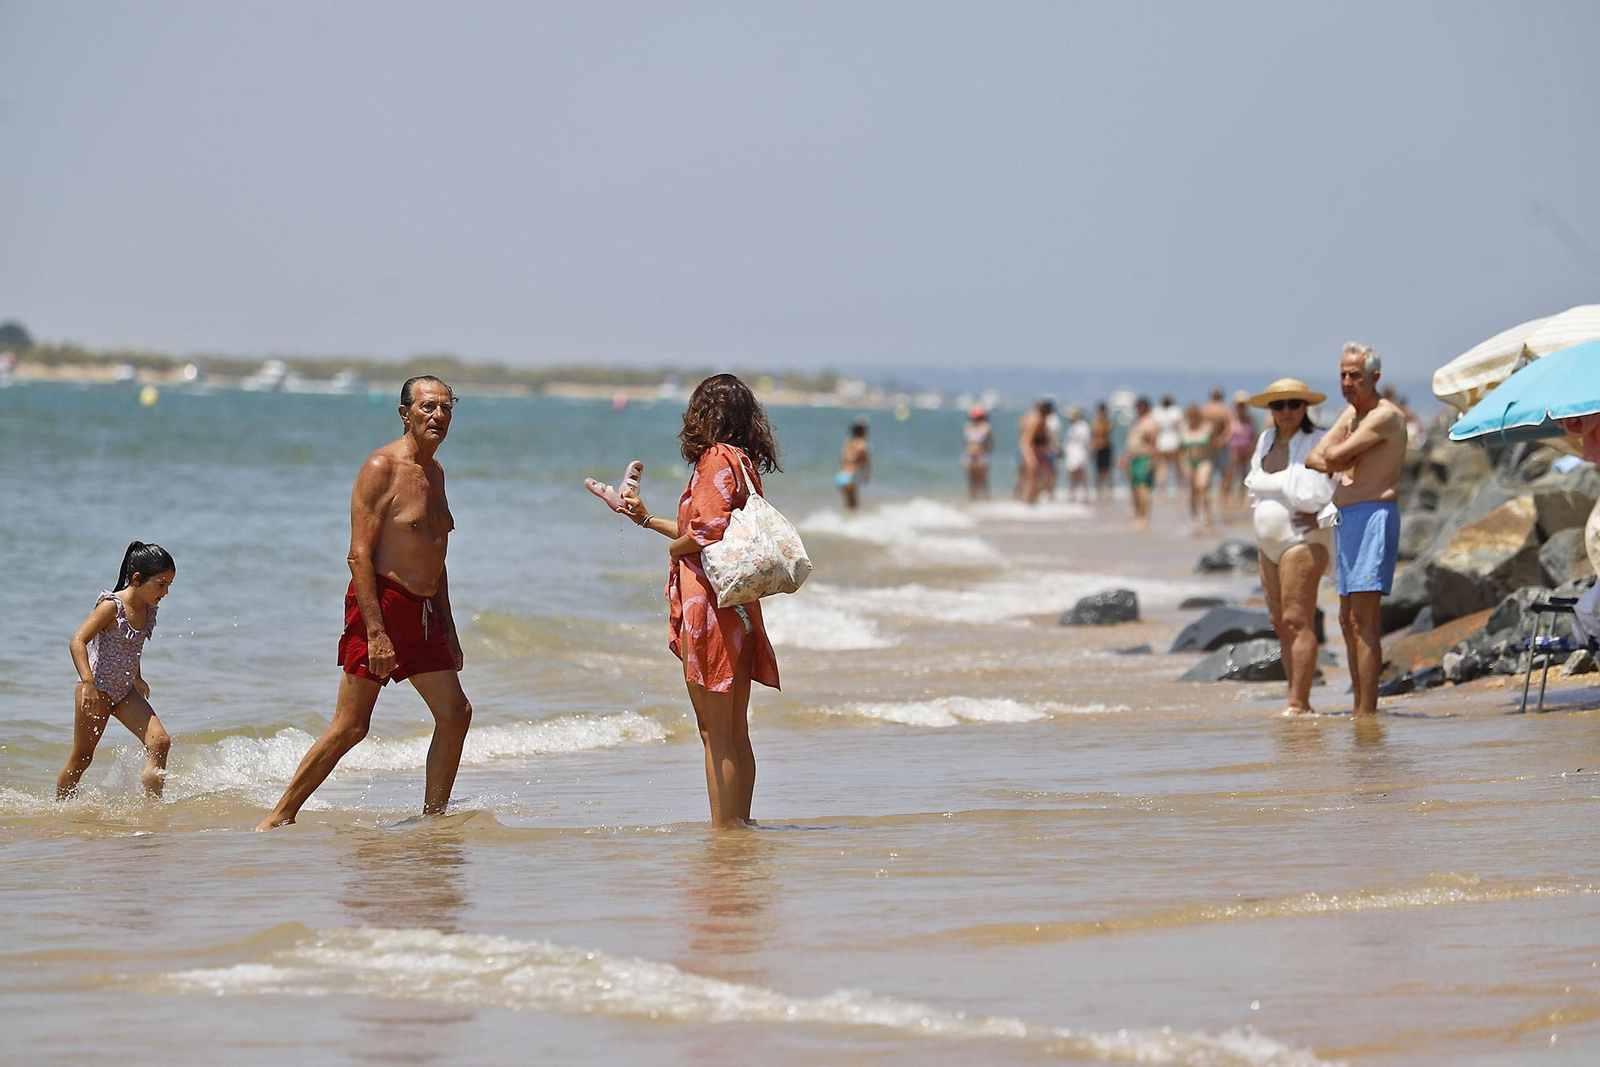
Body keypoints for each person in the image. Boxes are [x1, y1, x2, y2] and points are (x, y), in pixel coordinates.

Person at [258, 375, 473, 829]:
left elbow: (438, 554)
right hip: (382, 603)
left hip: (426, 610)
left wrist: (449, 629)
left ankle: (432, 821)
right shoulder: (382, 468)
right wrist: (375, 631)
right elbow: (358, 554)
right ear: (404, 414)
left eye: (446, 409)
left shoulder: (435, 473)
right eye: (427, 407)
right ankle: (278, 817)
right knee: (353, 726)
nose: (438, 416)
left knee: (456, 713)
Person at [620, 374, 782, 828]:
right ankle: (741, 828)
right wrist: (648, 519)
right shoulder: (743, 462)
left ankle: (725, 837)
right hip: (740, 607)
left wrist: (672, 549)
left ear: (703, 415)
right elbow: (713, 529)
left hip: (709, 610)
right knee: (735, 733)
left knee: (714, 735)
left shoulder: (714, 458)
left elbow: (704, 534)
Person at [1306, 343, 1408, 718]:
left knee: (1364, 620)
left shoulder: (1385, 417)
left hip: (1374, 516)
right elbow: (1314, 455)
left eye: (1355, 376)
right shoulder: (1351, 415)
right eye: (1343, 375)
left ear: (1375, 377)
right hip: (1346, 520)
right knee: (1346, 619)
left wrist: (1340, 454)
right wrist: (1342, 454)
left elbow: (1331, 457)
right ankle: (1358, 708)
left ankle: (1368, 712)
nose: (1347, 383)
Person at [1243, 379, 1335, 716]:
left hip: (1303, 541)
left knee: (1298, 619)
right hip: (1268, 545)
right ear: (1270, 410)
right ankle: (1294, 696)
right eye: (1278, 405)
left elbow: (1342, 481)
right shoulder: (1265, 440)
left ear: (1304, 407)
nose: (1286, 412)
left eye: (1293, 404)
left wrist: (1325, 517)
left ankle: (1299, 703)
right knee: (1279, 621)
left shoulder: (1318, 440)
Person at [57, 541, 176, 800]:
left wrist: (137, 676)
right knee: (81, 759)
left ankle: (152, 809)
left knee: (160, 742)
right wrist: (87, 682)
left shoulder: (149, 607)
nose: (165, 592)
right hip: (96, 691)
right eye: (161, 584)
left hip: (125, 692)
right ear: (137, 579)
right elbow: (77, 641)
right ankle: (60, 809)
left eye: (169, 585)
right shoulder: (112, 606)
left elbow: (133, 643)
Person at [1122, 397, 1159, 528]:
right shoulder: (1138, 421)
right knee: (1136, 489)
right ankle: (1138, 514)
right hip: (1134, 459)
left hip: (1144, 459)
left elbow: (1154, 444)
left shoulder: (1150, 423)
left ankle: (1144, 517)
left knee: (1143, 489)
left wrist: (1153, 461)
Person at [1178, 404, 1215, 531]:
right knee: (1193, 490)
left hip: (1204, 460)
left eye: (1194, 416)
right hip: (1188, 461)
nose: (1191, 418)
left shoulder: (1207, 428)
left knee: (1203, 486)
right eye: (1190, 416)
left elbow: (1213, 445)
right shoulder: (1183, 428)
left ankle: (1207, 514)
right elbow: (1180, 449)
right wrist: (1182, 465)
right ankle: (1193, 515)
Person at [1016, 397, 1055, 504]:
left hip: (1038, 452)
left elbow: (1043, 439)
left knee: (1046, 476)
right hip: (1029, 451)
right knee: (1031, 479)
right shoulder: (1035, 420)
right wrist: (1029, 457)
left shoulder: (1043, 420)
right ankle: (1027, 502)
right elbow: (1027, 441)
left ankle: (1031, 500)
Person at [1223, 391, 1258, 507]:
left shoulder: (1250, 419)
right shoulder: (1231, 418)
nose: (1241, 408)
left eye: (1243, 405)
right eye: (1239, 405)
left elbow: (1254, 435)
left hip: (1246, 449)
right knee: (1230, 474)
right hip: (1234, 448)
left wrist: (1254, 450)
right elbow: (1226, 433)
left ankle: (1241, 497)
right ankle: (1226, 497)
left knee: (1244, 474)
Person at [837, 418, 870, 511]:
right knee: (854, 506)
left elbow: (842, 458)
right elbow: (865, 463)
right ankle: (852, 524)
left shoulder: (847, 443)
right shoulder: (862, 444)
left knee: (848, 504)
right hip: (850, 476)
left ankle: (844, 524)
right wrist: (866, 476)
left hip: (840, 475)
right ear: (863, 432)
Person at [1152, 395, 1183, 496]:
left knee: (1162, 468)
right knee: (1177, 468)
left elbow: (1155, 429)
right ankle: (1180, 489)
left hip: (1162, 442)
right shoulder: (1175, 411)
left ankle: (1162, 491)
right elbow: (1180, 426)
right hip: (1174, 440)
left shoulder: (1157, 412)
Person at [962, 405, 993, 500]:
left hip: (981, 456)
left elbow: (990, 443)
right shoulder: (967, 426)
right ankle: (972, 499)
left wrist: (986, 453)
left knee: (982, 480)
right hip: (969, 455)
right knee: (971, 480)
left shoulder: (986, 427)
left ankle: (985, 500)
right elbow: (965, 442)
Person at [1062, 405, 1091, 502]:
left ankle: (1084, 494)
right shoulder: (1072, 427)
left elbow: (1087, 442)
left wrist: (1087, 455)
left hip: (1080, 454)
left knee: (1081, 475)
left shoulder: (1084, 426)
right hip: (1072, 454)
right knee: (1072, 475)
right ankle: (1073, 494)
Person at [1090, 402, 1115, 501]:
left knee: (1107, 471)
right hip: (1098, 448)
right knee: (1099, 472)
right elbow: (1094, 437)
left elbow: (1107, 431)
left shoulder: (1108, 422)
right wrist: (1092, 449)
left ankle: (1108, 491)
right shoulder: (1095, 423)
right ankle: (1100, 491)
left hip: (1106, 447)